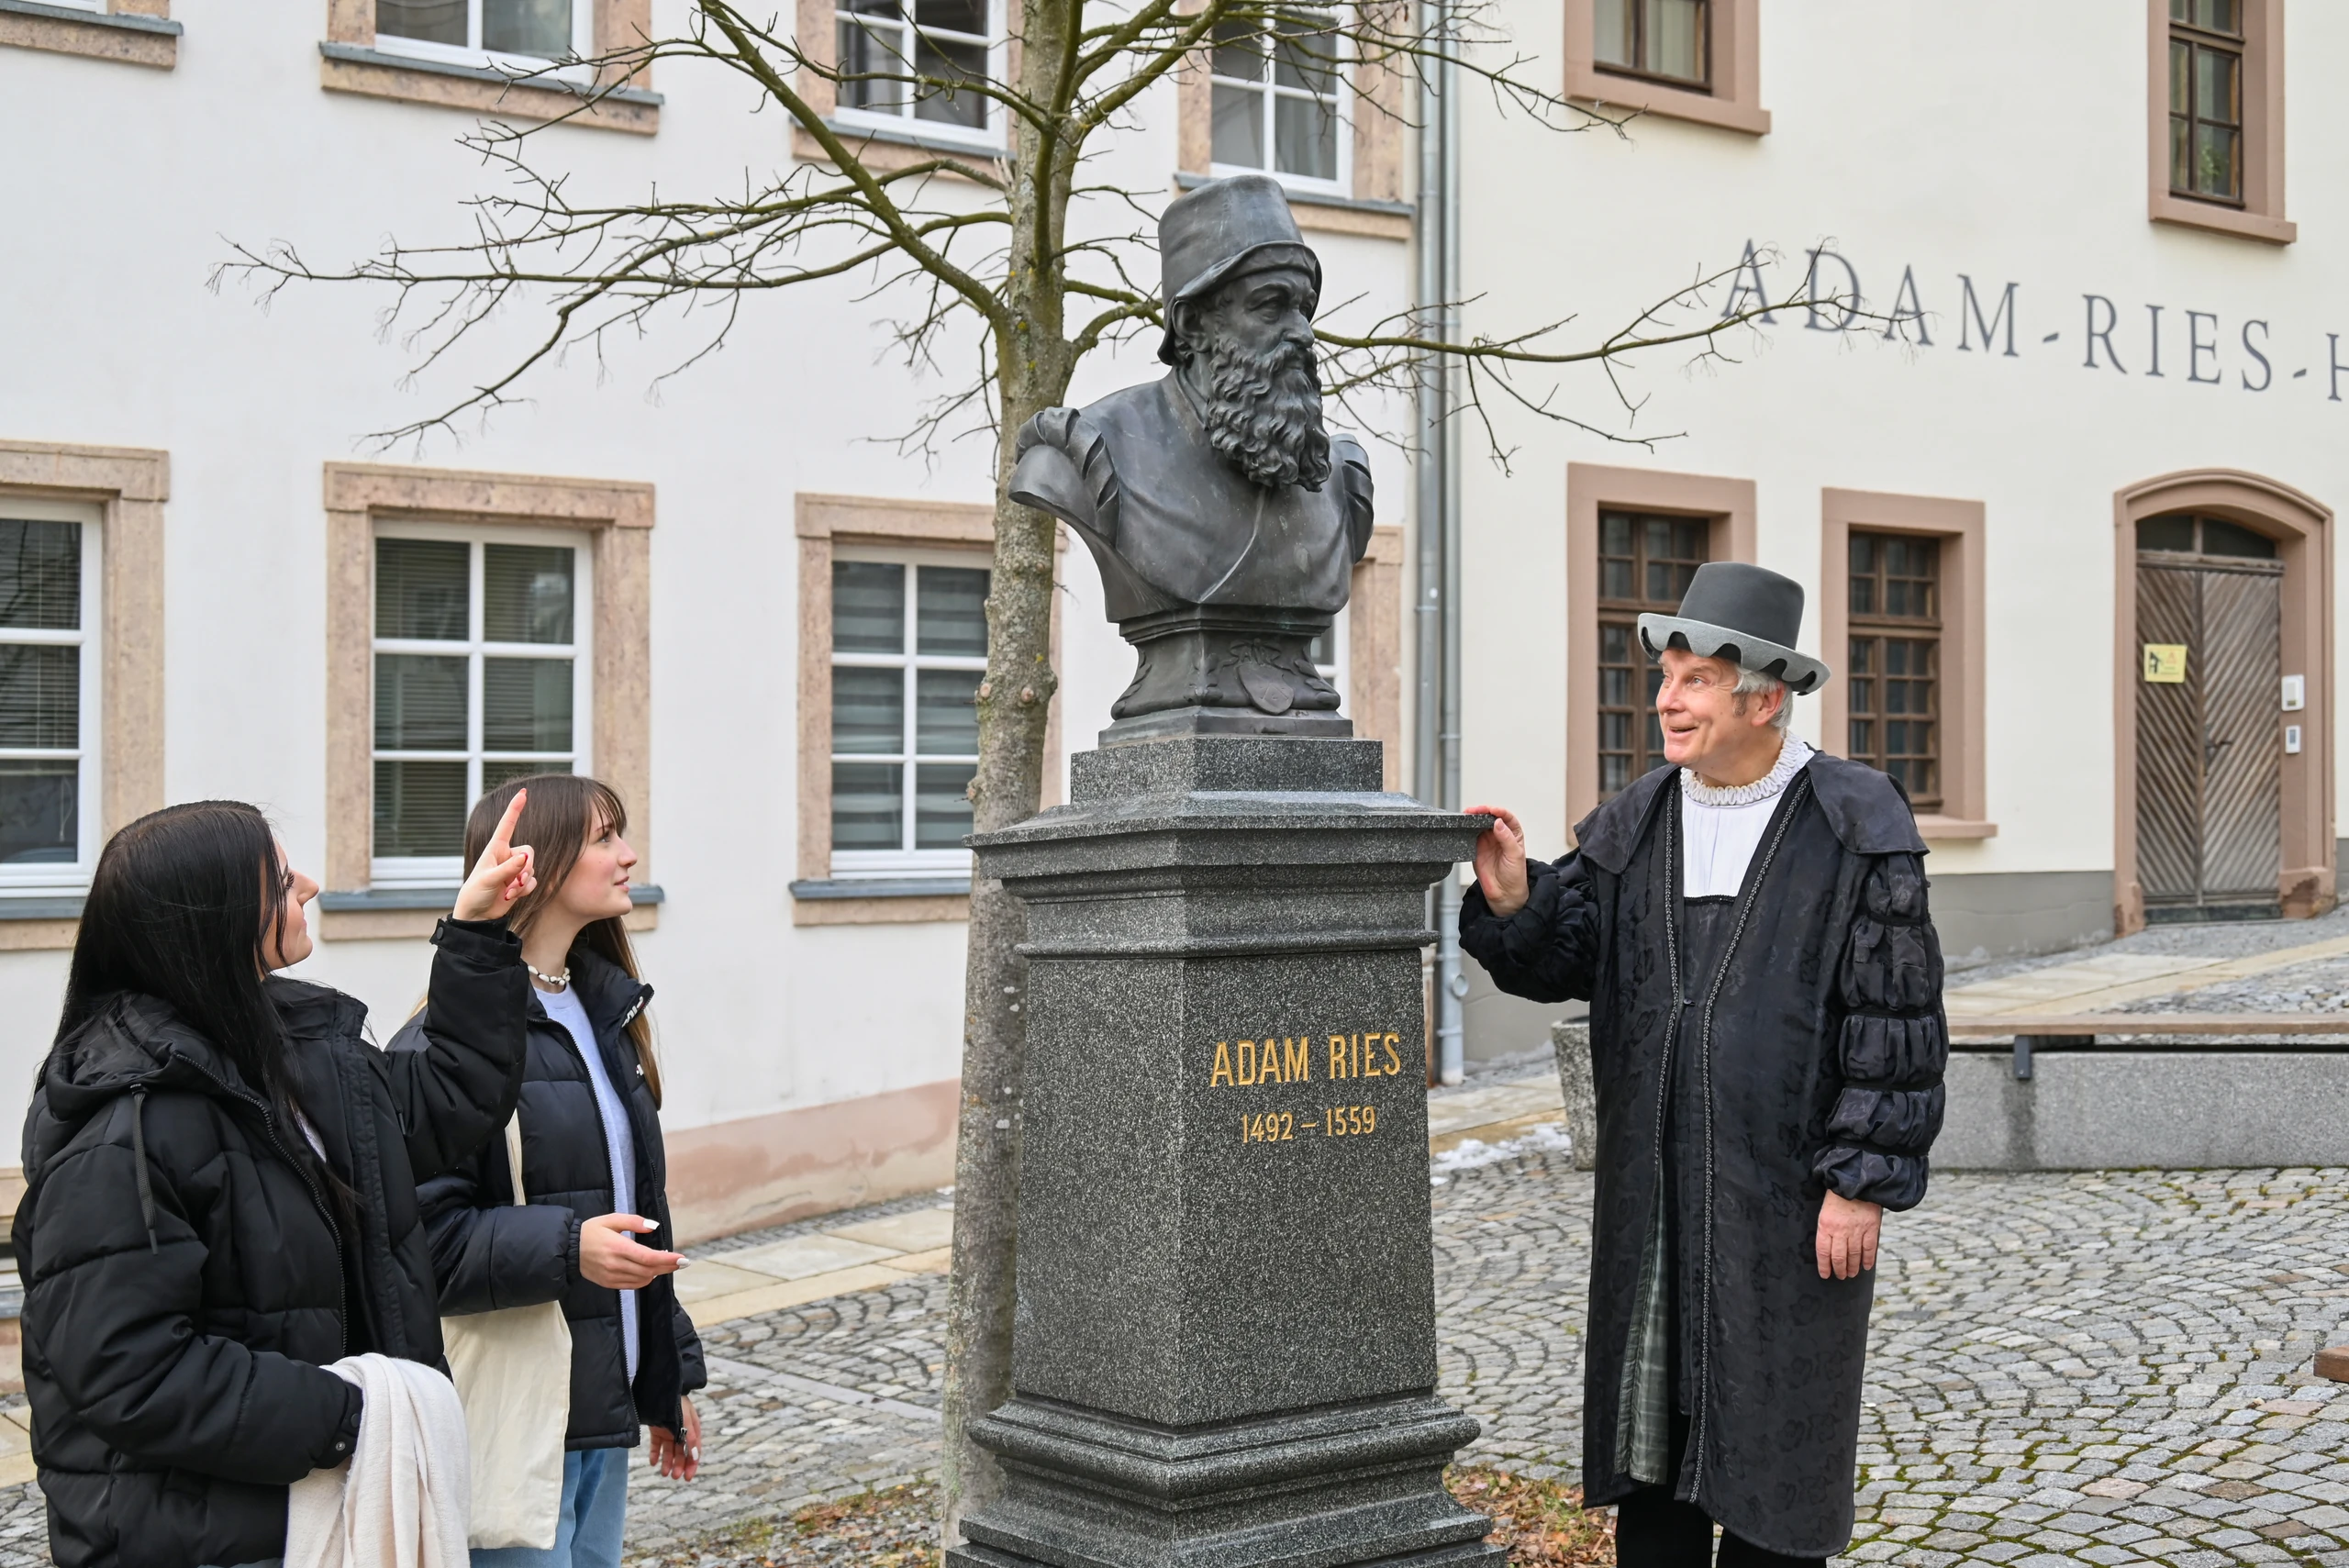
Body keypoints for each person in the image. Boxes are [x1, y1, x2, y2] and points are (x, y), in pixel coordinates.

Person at [1458, 562, 1947, 1567]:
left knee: (1776, 1456)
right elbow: (1568, 960)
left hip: (1789, 1200)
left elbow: (1895, 1017)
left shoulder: (1853, 820)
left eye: (1694, 681)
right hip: (1652, 1194)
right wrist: (1515, 900)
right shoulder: (1637, 818)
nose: (1666, 700)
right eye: (1665, 678)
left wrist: (1859, 1180)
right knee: (1653, 1457)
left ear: (1762, 699)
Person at [16, 795, 539, 1568]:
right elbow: (133, 1373)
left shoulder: (292, 1048)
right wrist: (353, 1417)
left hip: (316, 1515)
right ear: (216, 917)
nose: (312, 886)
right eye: (282, 879)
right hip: (208, 1538)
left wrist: (477, 932)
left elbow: (451, 1102)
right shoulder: (124, 1121)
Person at [408, 775, 705, 1568]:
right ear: (534, 865)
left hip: (601, 1410)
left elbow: (634, 1204)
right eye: (605, 837)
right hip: (515, 1421)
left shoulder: (607, 1012)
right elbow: (422, 1245)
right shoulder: (447, 1043)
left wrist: (666, 1374)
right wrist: (569, 1245)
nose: (628, 855)